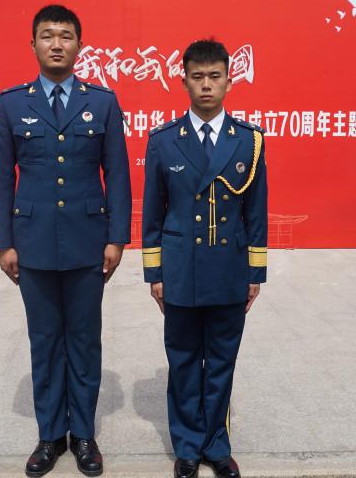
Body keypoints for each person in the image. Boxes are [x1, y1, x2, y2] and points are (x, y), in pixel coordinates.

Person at [0, 4, 132, 477]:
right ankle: (50, 435)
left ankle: (83, 434)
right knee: (45, 340)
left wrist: (117, 237)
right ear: (32, 44)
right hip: (32, 244)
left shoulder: (102, 102)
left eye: (65, 36)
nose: (56, 44)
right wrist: (4, 243)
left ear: (79, 46)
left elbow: (117, 173)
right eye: (47, 35)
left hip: (89, 242)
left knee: (85, 340)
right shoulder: (12, 103)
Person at [141, 39, 268, 478]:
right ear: (184, 82)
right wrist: (155, 273)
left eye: (215, 76)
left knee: (221, 363)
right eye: (198, 77)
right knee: (182, 361)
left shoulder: (249, 141)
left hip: (229, 270)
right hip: (180, 270)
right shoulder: (164, 141)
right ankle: (188, 448)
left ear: (230, 82)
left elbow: (256, 213)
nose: (207, 85)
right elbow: (153, 214)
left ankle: (217, 445)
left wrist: (255, 273)